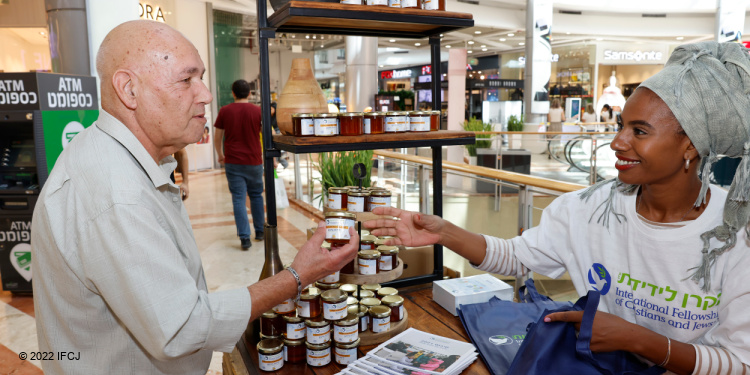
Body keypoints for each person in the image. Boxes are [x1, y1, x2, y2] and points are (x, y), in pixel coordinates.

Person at [365, 41, 750, 375]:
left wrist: (641, 341)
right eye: (620, 125)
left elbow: (740, 362)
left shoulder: (737, 237)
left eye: (639, 131)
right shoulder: (589, 207)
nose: (617, 142)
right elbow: (517, 258)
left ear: (690, 146)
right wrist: (444, 232)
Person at [30, 20, 358, 375]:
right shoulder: (115, 194)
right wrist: (297, 276)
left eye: (200, 77)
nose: (205, 94)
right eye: (187, 80)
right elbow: (182, 327)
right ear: (129, 90)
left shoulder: (116, 160)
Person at [214, 79, 265, 249]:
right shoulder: (258, 111)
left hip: (233, 162)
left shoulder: (225, 111)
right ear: (250, 93)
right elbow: (267, 135)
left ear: (233, 93)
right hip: (254, 161)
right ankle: (260, 231)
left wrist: (220, 155)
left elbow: (218, 137)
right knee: (256, 196)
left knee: (238, 199)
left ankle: (244, 238)